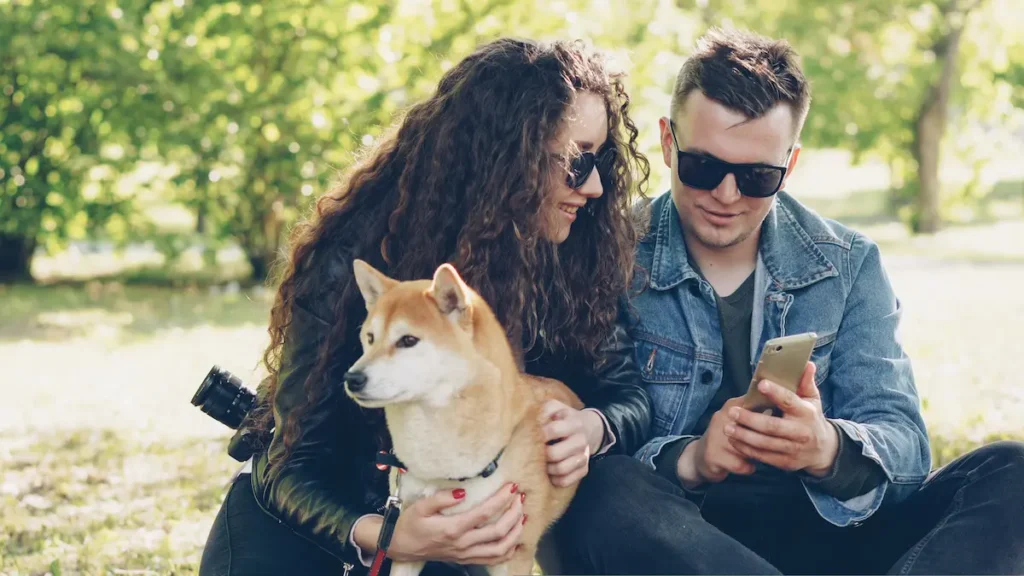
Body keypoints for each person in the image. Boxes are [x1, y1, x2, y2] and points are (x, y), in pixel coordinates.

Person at [547, 27, 1024, 575]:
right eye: (704, 167)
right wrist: (693, 459)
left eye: (756, 177)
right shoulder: (604, 257)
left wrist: (827, 449)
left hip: (830, 537)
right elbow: (592, 435)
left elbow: (906, 446)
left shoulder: (847, 263)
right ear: (667, 142)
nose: (726, 196)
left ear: (789, 167)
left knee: (1010, 470)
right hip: (683, 543)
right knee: (602, 485)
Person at [196, 37, 654, 576]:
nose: (597, 186)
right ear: (505, 159)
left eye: (600, 159)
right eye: (576, 163)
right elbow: (289, 466)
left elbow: (627, 395)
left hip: (450, 537)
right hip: (318, 529)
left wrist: (594, 428)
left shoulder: (575, 253)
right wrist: (389, 536)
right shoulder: (350, 256)